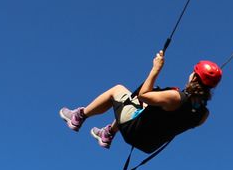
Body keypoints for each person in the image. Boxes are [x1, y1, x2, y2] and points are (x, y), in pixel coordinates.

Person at [59, 51, 221, 152]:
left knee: (118, 90)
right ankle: (107, 133)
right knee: (138, 104)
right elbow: (175, 118)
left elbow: (143, 94)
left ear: (194, 77)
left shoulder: (176, 98)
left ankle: (79, 116)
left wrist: (155, 69)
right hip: (149, 144)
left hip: (134, 131)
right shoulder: (203, 114)